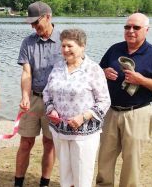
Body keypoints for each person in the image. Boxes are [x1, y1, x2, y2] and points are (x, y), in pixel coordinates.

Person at [96, 13, 152, 187]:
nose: (130, 31)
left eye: (136, 27)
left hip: (137, 113)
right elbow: (96, 72)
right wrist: (104, 73)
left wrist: (141, 80)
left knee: (131, 160)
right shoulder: (114, 49)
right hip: (110, 111)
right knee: (104, 158)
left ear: (147, 30)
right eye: (127, 27)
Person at [43, 28, 111, 187]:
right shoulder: (58, 67)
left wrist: (83, 117)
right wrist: (50, 109)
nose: (65, 50)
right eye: (63, 46)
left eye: (70, 46)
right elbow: (47, 92)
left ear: (82, 47)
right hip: (59, 130)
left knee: (82, 177)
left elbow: (104, 100)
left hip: (84, 133)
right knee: (65, 175)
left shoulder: (93, 69)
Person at [15, 1, 62, 187]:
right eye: (31, 24)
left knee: (49, 143)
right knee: (25, 142)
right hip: (34, 98)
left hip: (57, 102)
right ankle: (18, 183)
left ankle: (45, 182)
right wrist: (25, 96)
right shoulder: (28, 42)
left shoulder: (65, 41)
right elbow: (27, 72)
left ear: (48, 17)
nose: (34, 27)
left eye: (37, 23)